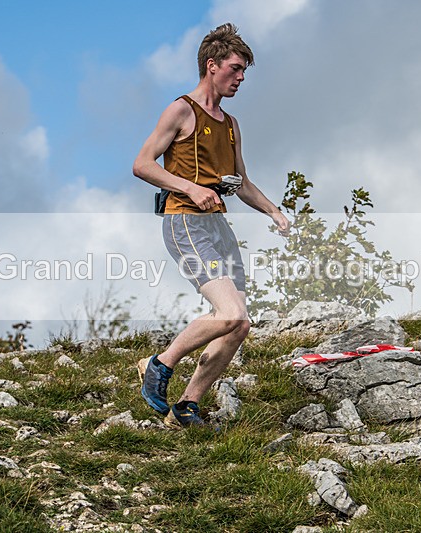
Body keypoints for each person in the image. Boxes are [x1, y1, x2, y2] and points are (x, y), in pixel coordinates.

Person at [132, 23, 291, 428]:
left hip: (218, 227)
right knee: (230, 311)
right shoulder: (181, 110)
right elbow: (142, 164)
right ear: (211, 65)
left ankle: (186, 407)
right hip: (185, 222)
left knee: (238, 325)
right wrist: (190, 187)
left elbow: (244, 183)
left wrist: (273, 211)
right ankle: (159, 363)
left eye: (244, 72)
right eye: (235, 69)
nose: (241, 78)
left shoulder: (232, 125)